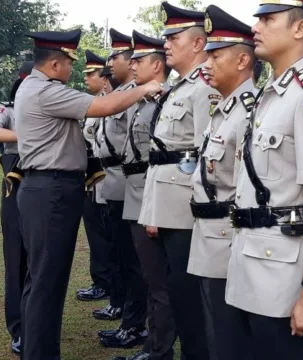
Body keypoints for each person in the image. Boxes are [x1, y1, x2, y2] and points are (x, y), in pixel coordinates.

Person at [14, 29, 164, 360]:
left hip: (45, 188)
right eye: (69, 62)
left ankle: (37, 349)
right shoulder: (47, 91)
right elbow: (105, 105)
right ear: (54, 64)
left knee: (41, 278)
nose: (72, 70)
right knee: (47, 283)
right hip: (52, 189)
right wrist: (147, 88)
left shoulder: (32, 86)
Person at [226, 1, 303, 359]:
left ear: (300, 29)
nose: (255, 27)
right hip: (250, 267)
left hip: (285, 282)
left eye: (267, 19)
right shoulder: (271, 94)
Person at [137, 2, 219, 359]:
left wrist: (182, 208)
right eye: (166, 37)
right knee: (171, 289)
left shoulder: (204, 88)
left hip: (185, 210)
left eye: (174, 37)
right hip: (165, 203)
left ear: (198, 44)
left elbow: (206, 156)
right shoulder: (178, 87)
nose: (166, 44)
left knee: (189, 297)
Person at [186, 5, 257, 359]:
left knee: (229, 335)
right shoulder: (225, 109)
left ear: (243, 61)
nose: (206, 63)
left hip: (228, 236)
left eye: (215, 55)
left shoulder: (249, 111)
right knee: (214, 327)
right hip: (208, 234)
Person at [109, 30, 174, 360]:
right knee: (149, 277)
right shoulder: (143, 98)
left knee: (158, 281)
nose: (132, 65)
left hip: (151, 191)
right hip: (137, 191)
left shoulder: (164, 100)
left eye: (139, 60)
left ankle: (159, 350)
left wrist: (156, 207)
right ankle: (152, 344)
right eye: (131, 60)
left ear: (158, 65)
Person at [93, 30, 148, 337]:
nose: (109, 62)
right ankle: (127, 313)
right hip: (114, 182)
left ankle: (134, 322)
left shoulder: (134, 95)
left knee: (133, 259)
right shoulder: (121, 93)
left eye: (115, 56)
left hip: (130, 182)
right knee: (119, 252)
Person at [0, 61, 33, 356]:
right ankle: (19, 326)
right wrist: (28, 137)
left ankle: (38, 321)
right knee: (16, 256)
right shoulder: (9, 109)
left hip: (46, 183)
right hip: (16, 181)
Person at [77, 51, 113, 303]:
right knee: (95, 233)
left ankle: (107, 282)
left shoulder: (111, 103)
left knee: (106, 234)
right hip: (92, 179)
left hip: (108, 177)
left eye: (92, 74)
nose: (87, 79)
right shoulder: (93, 104)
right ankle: (100, 280)